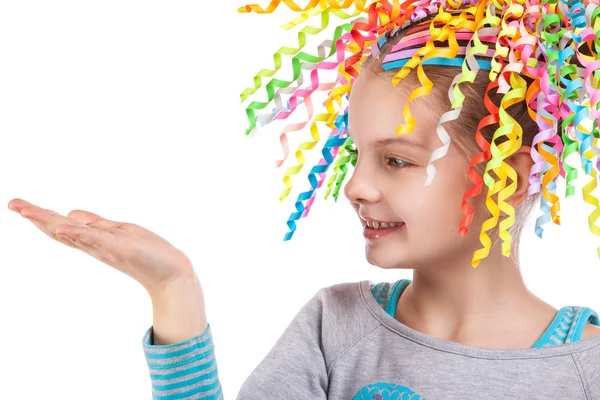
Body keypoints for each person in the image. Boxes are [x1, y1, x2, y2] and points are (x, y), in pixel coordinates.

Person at [9, 0, 600, 398]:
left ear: (508, 173)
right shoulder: (334, 329)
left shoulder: (587, 369)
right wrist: (174, 290)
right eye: (357, 154)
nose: (357, 186)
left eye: (397, 160)